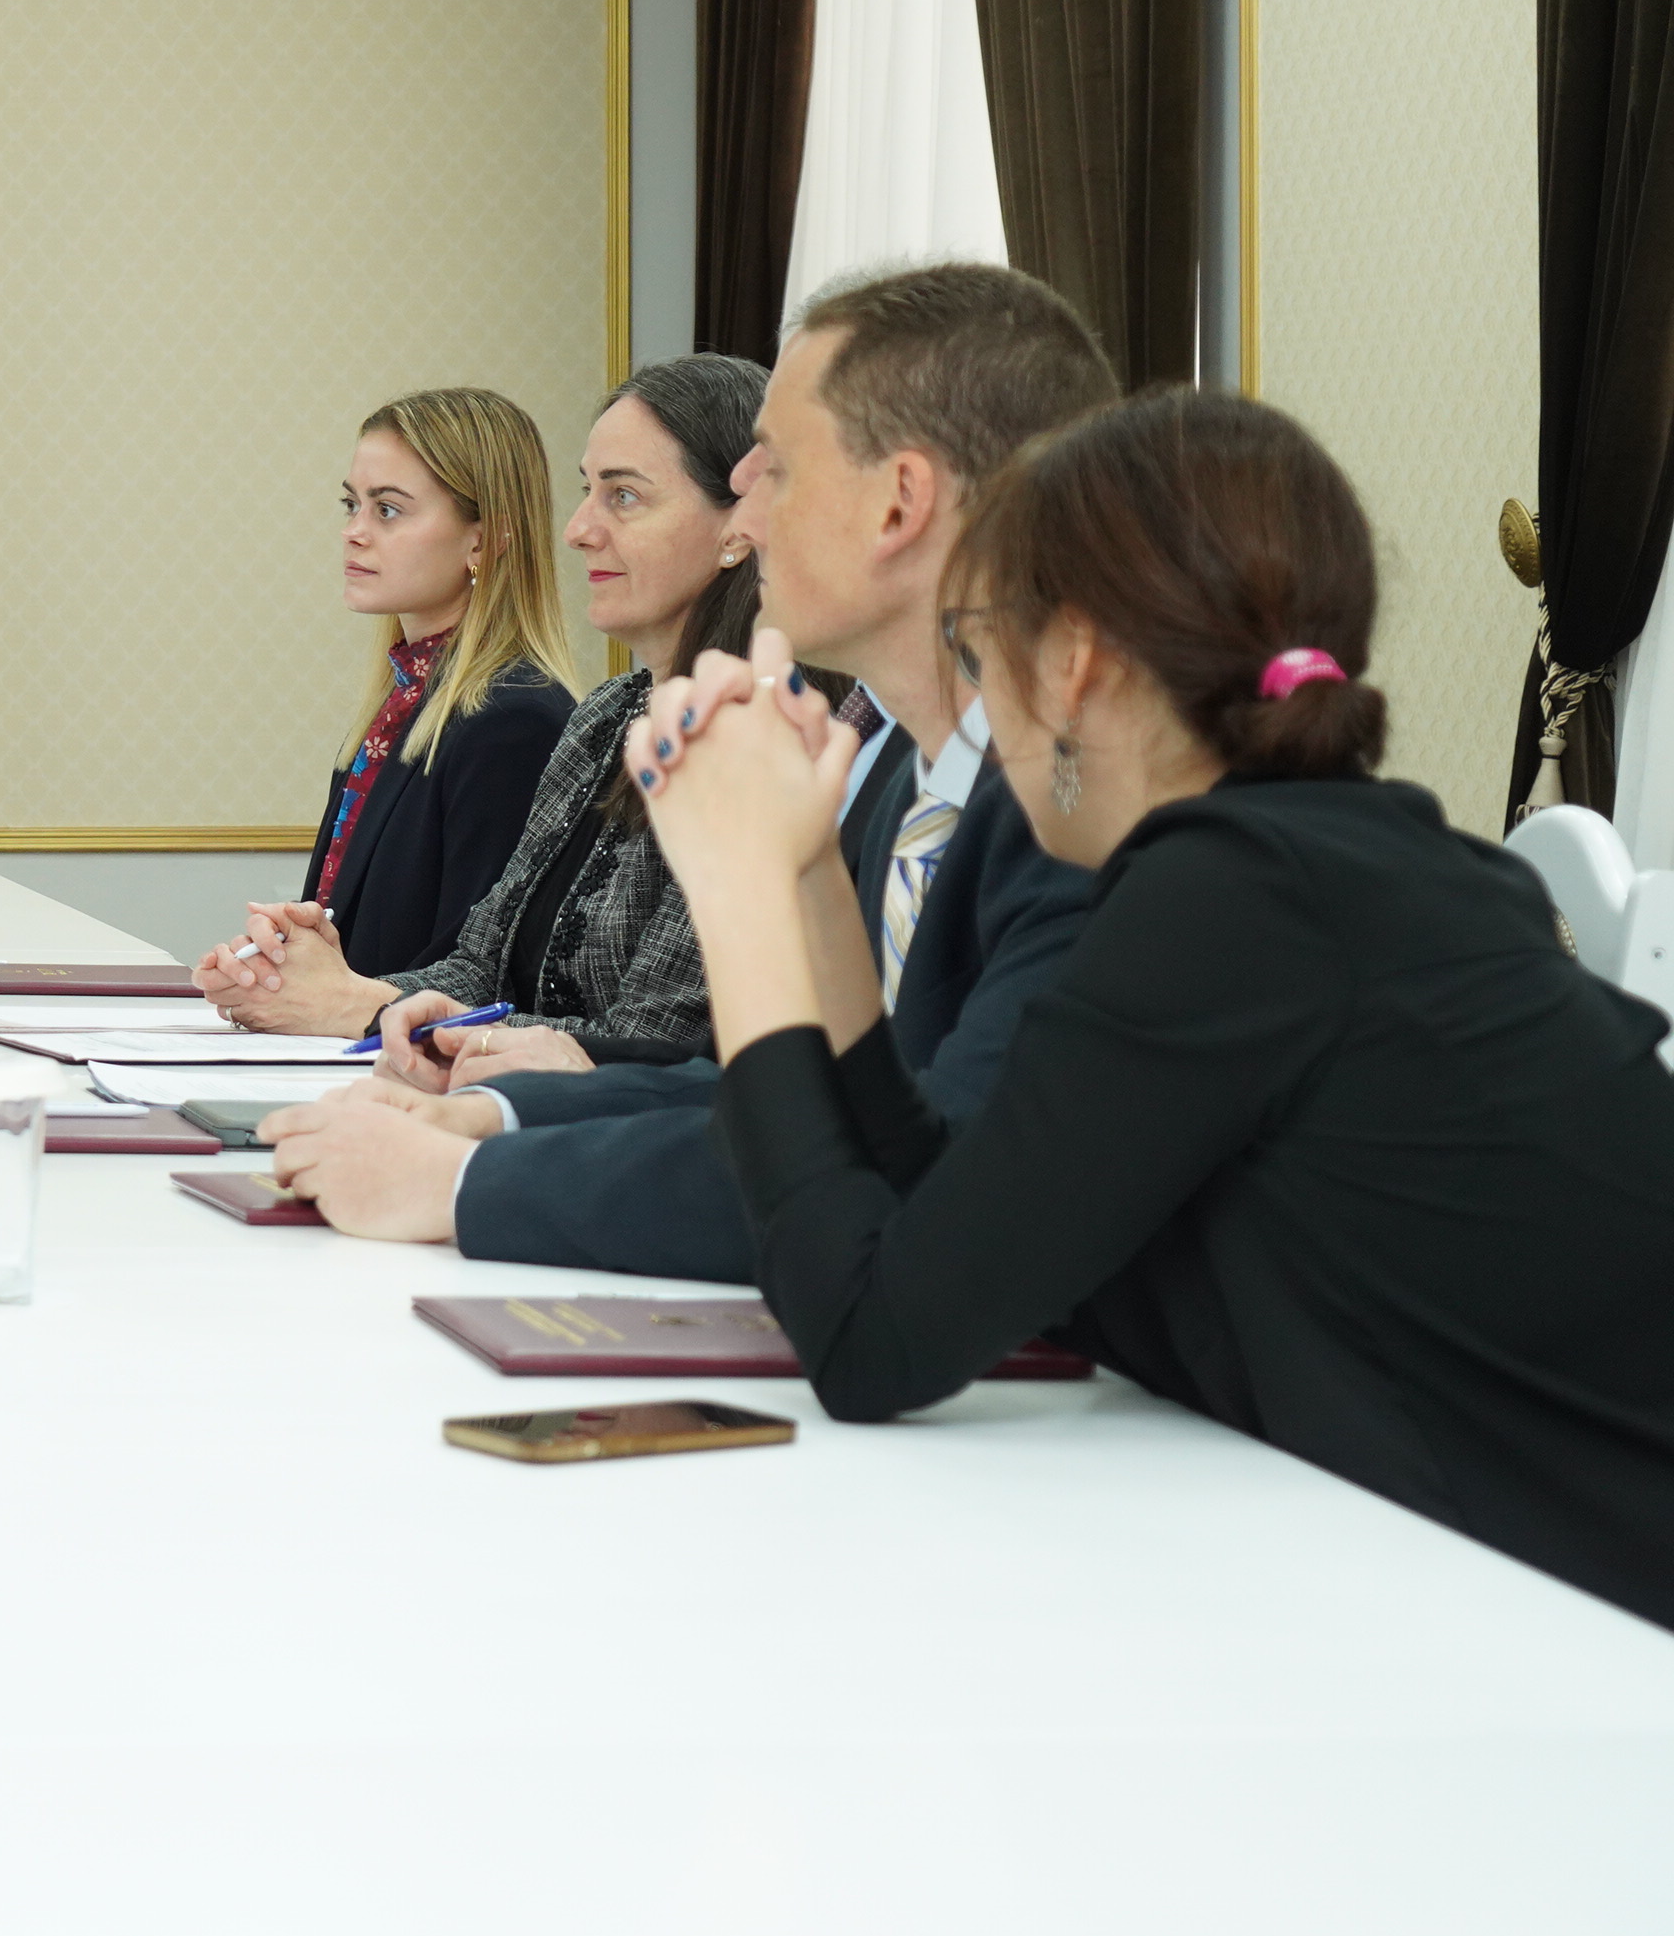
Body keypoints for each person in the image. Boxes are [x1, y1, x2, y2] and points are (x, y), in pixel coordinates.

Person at [630, 392, 1674, 1630]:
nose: (979, 701)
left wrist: (736, 882)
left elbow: (866, 1341)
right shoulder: (1320, 869)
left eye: (978, 646)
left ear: (1072, 663)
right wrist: (806, 869)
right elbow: (941, 1204)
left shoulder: (1240, 902)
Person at [265, 262, 1110, 1265]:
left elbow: (916, 1195)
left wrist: (467, 1178)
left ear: (899, 504)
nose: (748, 523)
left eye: (777, 473)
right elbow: (803, 1104)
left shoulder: (1071, 811)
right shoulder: (897, 769)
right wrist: (500, 1117)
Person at [201, 356, 768, 1058]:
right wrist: (316, 986)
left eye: (623, 496)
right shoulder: (606, 717)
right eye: (587, 492)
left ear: (740, 527)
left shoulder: (760, 742)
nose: (577, 529)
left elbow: (655, 1043)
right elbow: (480, 967)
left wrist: (361, 1006)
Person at [189, 386, 575, 1008]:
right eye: (352, 504)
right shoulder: (403, 705)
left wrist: (322, 997)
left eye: (388, 510)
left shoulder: (515, 723)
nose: (354, 532)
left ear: (483, 540)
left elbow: (481, 983)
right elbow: (354, 951)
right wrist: (276, 964)